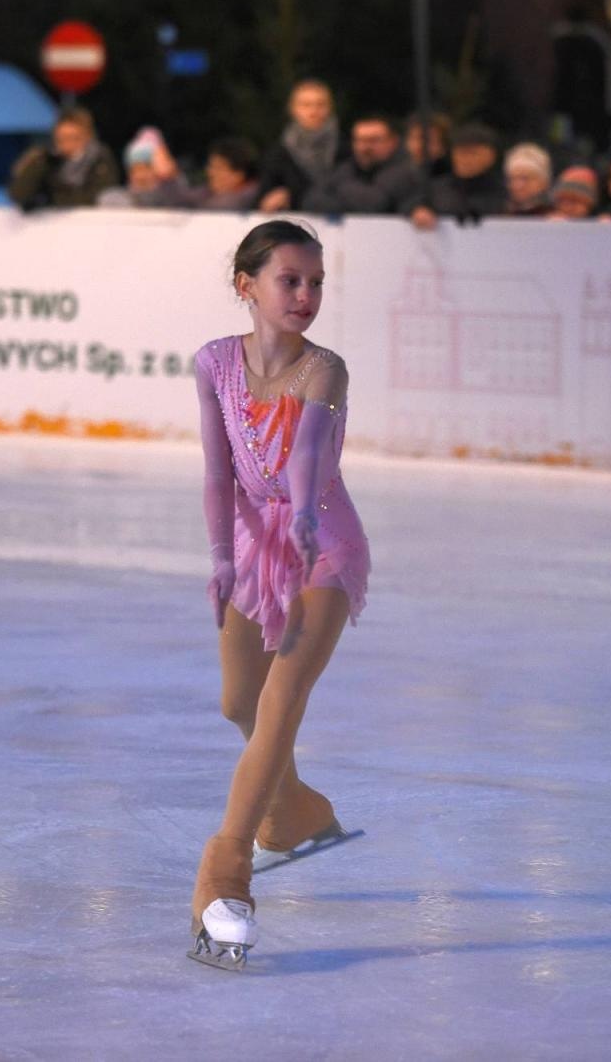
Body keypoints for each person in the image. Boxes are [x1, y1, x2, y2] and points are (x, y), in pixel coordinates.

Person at [187, 219, 370, 970]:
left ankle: (224, 873)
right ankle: (294, 812)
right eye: (289, 280)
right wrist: (222, 557)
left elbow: (308, 455)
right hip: (252, 543)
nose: (305, 295)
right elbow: (216, 472)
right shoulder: (213, 363)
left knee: (280, 699)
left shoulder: (325, 369)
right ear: (247, 285)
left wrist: (300, 518)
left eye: (316, 282)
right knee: (239, 702)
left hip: (323, 541)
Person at [301, 113, 419, 215]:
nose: (365, 147)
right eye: (360, 140)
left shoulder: (406, 171)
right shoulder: (346, 167)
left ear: (393, 142)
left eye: (373, 140)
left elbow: (374, 203)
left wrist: (339, 189)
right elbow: (311, 200)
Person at [256, 79, 343, 213]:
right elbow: (264, 195)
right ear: (293, 109)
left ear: (330, 108)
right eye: (306, 105)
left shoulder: (347, 147)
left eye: (320, 104)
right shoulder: (279, 152)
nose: (314, 111)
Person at [6, 106, 118, 210]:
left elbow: (98, 197)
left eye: (73, 138)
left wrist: (52, 199)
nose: (67, 145)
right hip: (51, 223)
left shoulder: (100, 160)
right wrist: (38, 164)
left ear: (88, 136)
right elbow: (18, 195)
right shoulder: (47, 160)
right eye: (61, 139)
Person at [408, 122, 507, 228]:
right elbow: (409, 206)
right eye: (458, 152)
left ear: (491, 157)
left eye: (472, 153)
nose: (464, 159)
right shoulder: (436, 189)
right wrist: (418, 211)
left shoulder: (506, 191)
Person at [97, 126, 192, 208]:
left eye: (147, 168)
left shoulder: (172, 196)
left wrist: (170, 176)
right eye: (135, 169)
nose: (141, 175)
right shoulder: (118, 198)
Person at [193, 137, 261, 211]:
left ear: (239, 174)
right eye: (210, 166)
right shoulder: (208, 191)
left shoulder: (247, 198)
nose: (210, 172)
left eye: (218, 168)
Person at [501, 142, 553, 216]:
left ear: (544, 182)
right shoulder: (499, 215)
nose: (517, 185)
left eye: (525, 178)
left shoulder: (558, 217)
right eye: (512, 179)